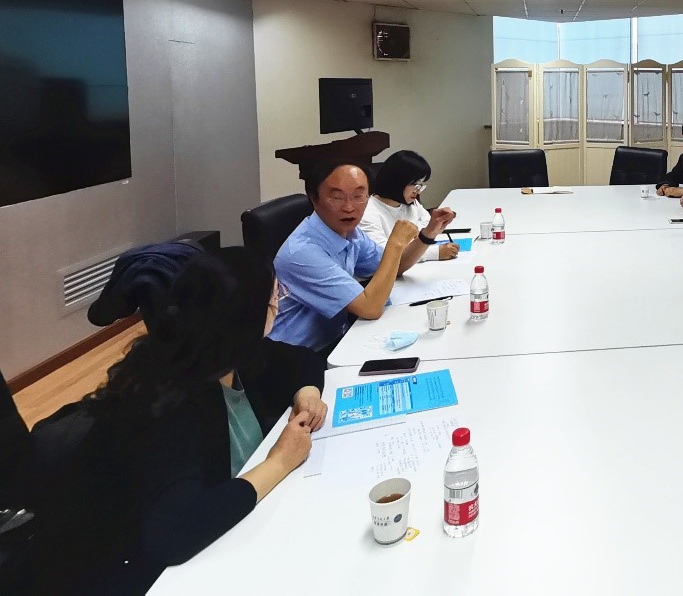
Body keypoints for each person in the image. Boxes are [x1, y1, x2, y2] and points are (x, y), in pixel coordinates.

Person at [31, 247, 327, 595]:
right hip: (148, 574)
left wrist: (307, 392)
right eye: (276, 297)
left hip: (234, 534)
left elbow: (301, 360)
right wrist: (279, 461)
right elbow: (174, 533)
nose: (279, 304)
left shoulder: (225, 349)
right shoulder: (169, 403)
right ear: (249, 315)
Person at [269, 160, 453, 353]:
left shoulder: (350, 233)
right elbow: (370, 308)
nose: (349, 207)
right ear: (314, 199)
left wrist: (428, 234)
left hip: (340, 336)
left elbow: (395, 267)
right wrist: (395, 243)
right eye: (337, 197)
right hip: (298, 354)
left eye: (358, 196)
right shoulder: (303, 253)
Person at [361, 150, 459, 262]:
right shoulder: (367, 213)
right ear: (396, 181)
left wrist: (418, 236)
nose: (418, 191)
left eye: (420, 185)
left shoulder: (410, 203)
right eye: (414, 184)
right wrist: (435, 252)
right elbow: (384, 256)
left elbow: (426, 223)